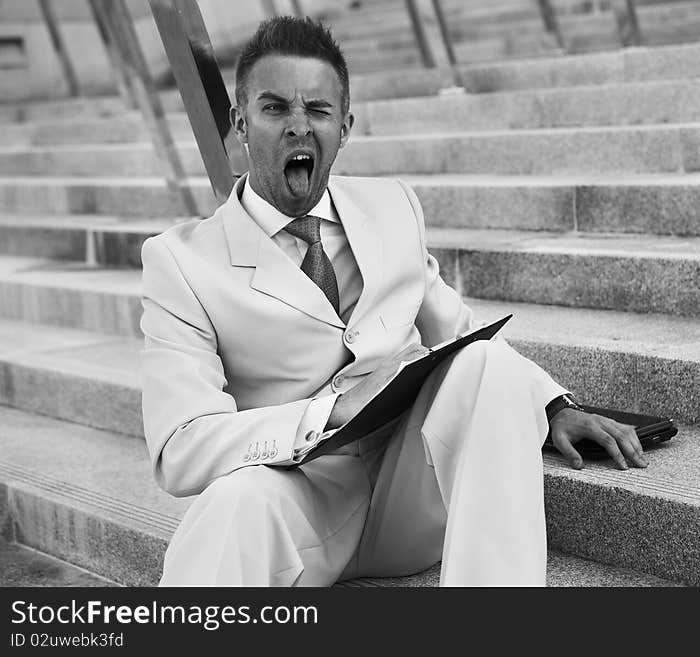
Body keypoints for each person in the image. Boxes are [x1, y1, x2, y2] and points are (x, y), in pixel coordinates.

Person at [139, 16, 647, 587]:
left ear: (345, 126)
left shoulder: (393, 206)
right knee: (231, 503)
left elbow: (462, 335)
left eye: (319, 110)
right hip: (296, 506)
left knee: (486, 362)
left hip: (412, 493)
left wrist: (551, 406)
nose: (298, 127)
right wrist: (325, 417)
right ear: (240, 121)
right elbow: (178, 447)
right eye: (275, 108)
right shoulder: (181, 261)